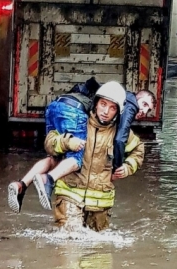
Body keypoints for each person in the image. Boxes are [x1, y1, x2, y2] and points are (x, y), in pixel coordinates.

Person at [48, 87, 145, 232]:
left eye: (112, 108)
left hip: (100, 206)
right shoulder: (77, 121)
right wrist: (66, 142)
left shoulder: (121, 134)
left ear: (118, 112)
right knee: (70, 244)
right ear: (95, 104)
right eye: (103, 104)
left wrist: (128, 167)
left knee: (98, 252)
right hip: (69, 195)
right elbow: (49, 143)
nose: (106, 112)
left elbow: (139, 150)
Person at [6, 77, 107, 214]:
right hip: (74, 111)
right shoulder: (98, 100)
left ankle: (21, 185)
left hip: (53, 107)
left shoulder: (77, 91)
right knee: (78, 156)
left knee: (54, 157)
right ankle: (48, 179)